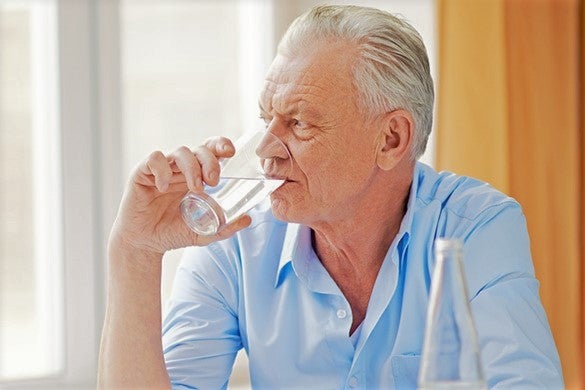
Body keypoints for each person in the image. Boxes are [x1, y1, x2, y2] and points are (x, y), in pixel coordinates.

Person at [98, 5, 564, 389]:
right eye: (267, 118)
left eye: (299, 123)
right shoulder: (234, 236)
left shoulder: (474, 228)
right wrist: (135, 252)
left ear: (391, 139)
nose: (264, 149)